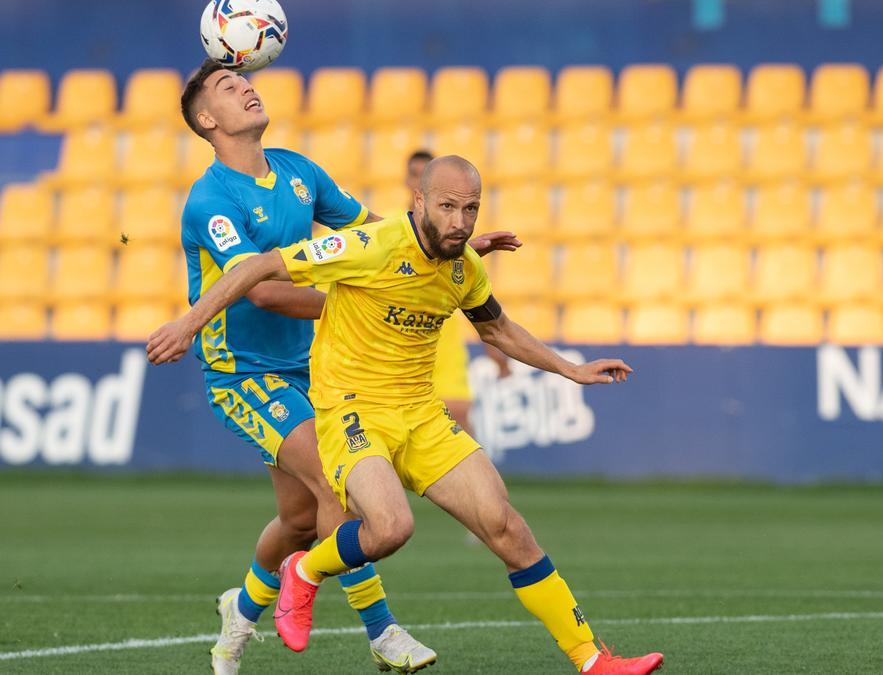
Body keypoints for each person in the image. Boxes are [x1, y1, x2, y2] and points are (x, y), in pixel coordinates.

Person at [148, 155, 665, 674]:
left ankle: (593, 660)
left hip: (421, 415)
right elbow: (260, 268)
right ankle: (313, 576)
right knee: (391, 527)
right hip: (353, 411)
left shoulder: (465, 267)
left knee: (507, 526)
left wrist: (571, 369)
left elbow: (498, 329)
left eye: (470, 209)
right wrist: (189, 323)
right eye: (447, 206)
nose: (460, 221)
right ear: (419, 201)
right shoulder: (368, 246)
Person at [176, 59, 520, 674]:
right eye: (229, 87)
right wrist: (362, 305)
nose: (248, 86)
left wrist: (452, 243)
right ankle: (382, 631)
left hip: (314, 363)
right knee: (342, 485)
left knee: (300, 519)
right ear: (207, 120)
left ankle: (243, 609)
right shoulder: (210, 201)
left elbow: (377, 236)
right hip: (246, 372)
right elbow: (260, 290)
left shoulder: (300, 173)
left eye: (246, 79)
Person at [408, 150, 511, 435]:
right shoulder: (389, 229)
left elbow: (473, 292)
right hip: (401, 347)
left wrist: (496, 351)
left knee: (460, 427)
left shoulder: (456, 234)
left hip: (444, 346)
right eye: (415, 175)